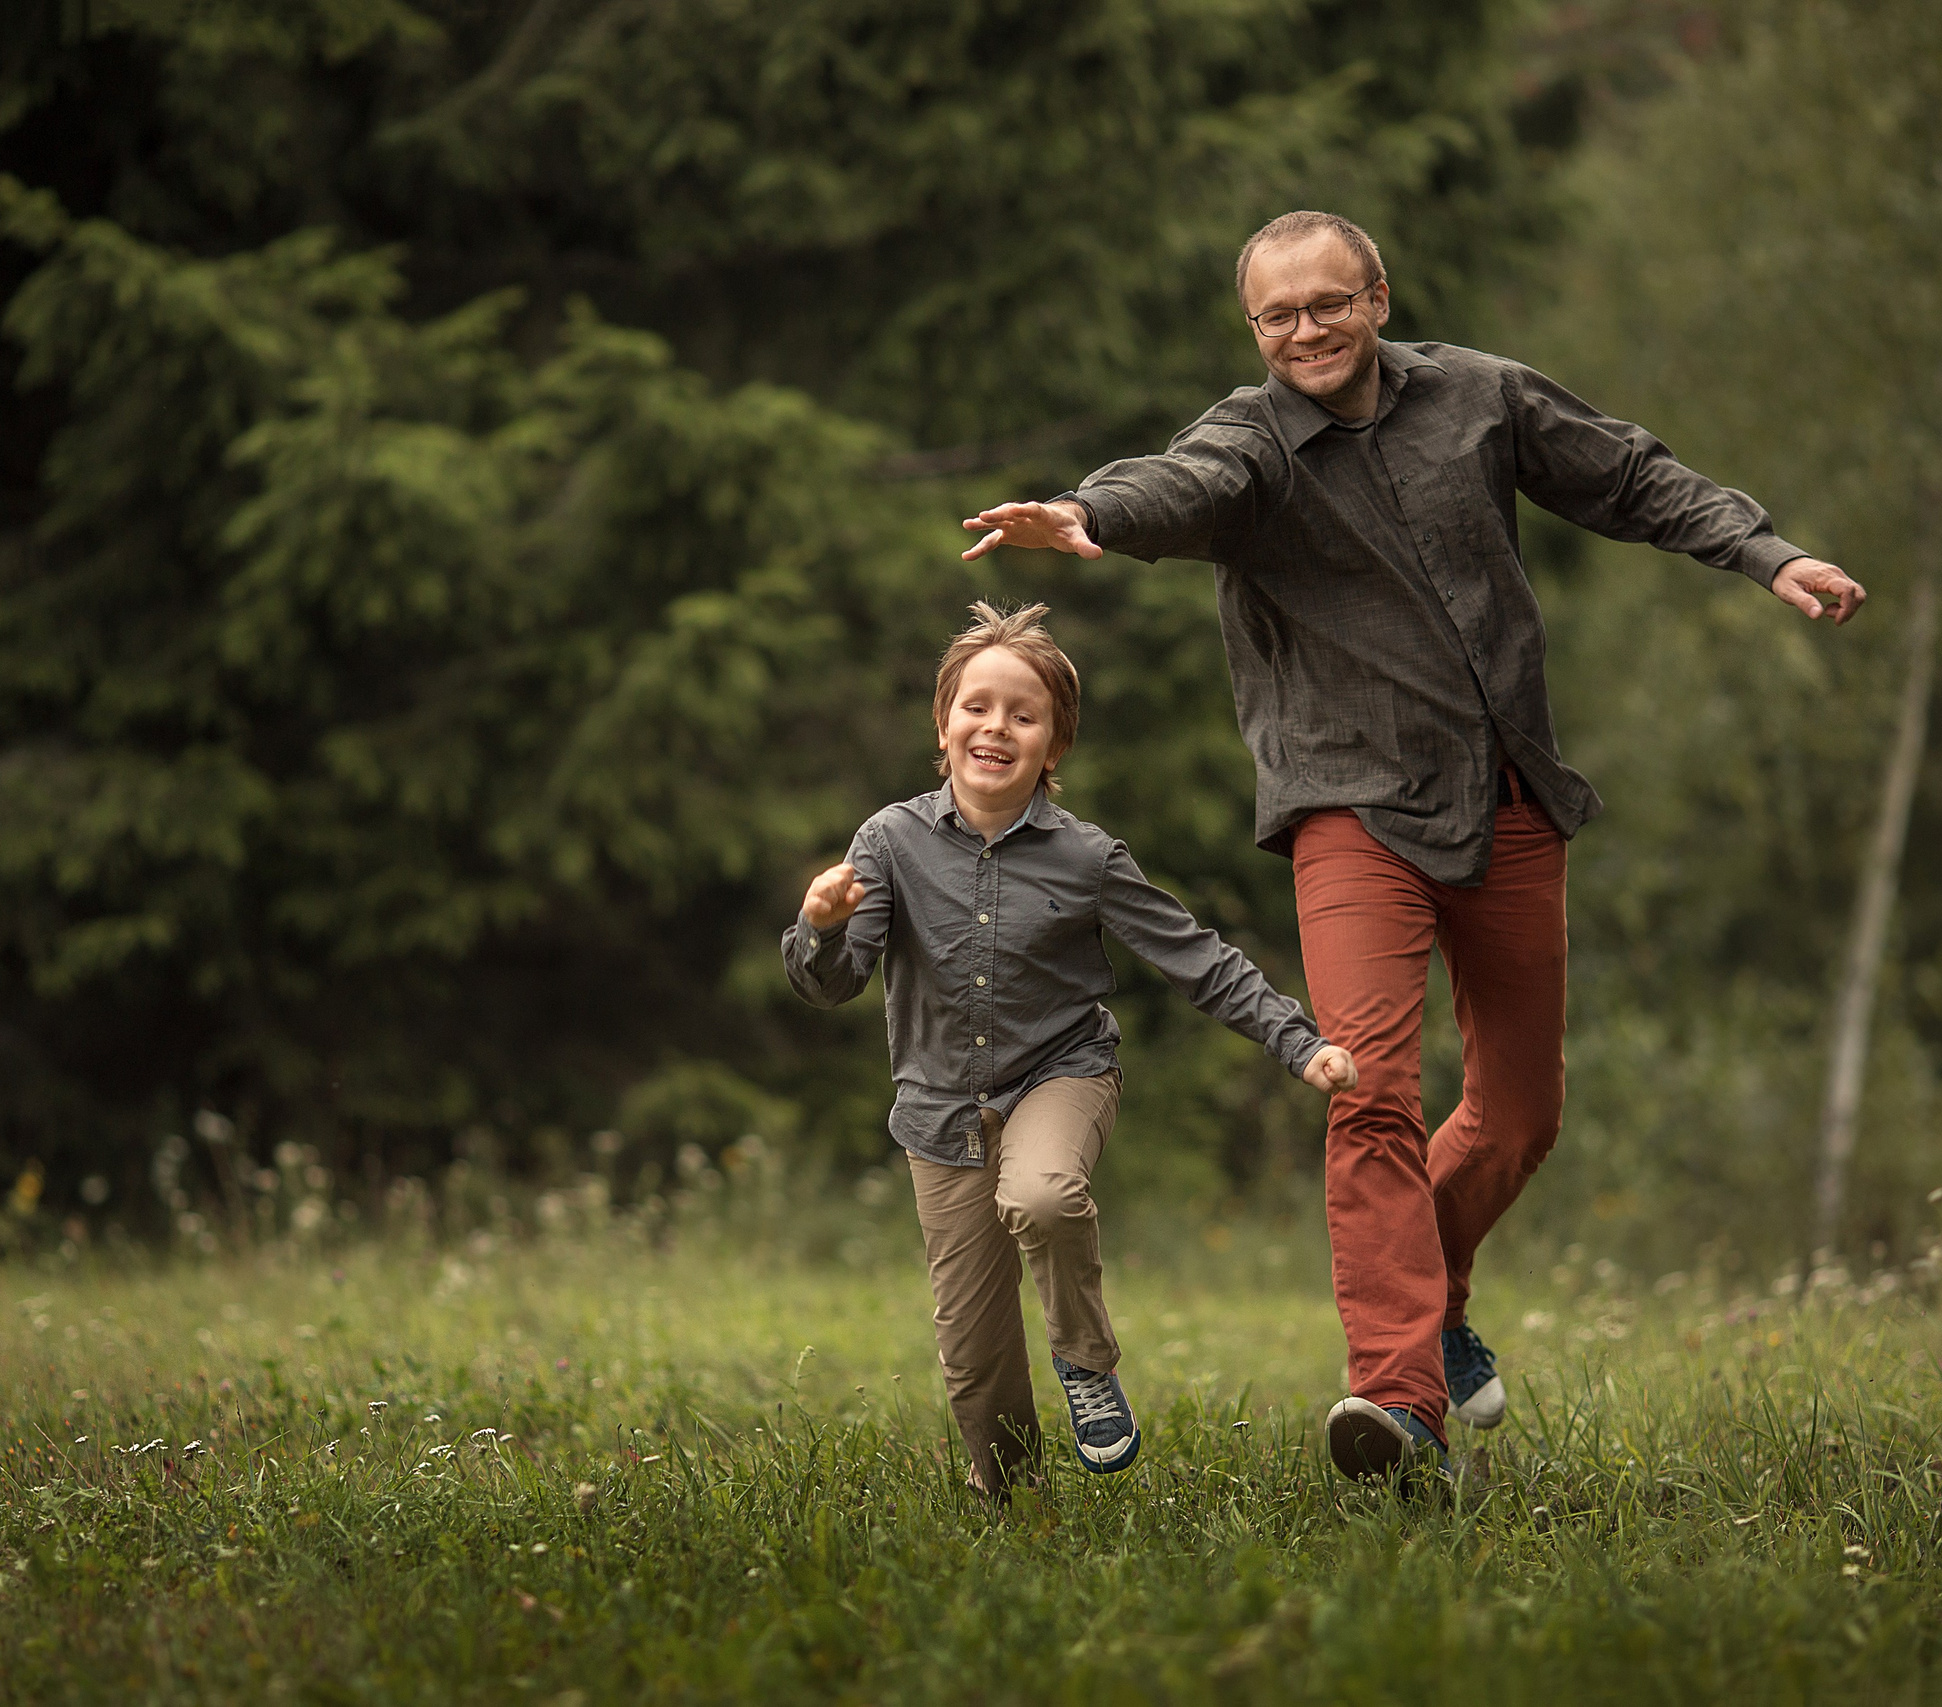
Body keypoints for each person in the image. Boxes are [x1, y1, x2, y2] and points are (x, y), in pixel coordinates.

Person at [960, 210, 1866, 1487]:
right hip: (1349, 810)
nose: (1304, 332)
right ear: (1254, 331)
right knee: (1369, 1089)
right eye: (1276, 316)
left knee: (1518, 1114)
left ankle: (1429, 1299)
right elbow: (1176, 486)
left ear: (1377, 298)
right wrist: (1083, 515)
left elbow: (1630, 476)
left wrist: (1762, 551)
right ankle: (1395, 1402)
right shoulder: (1250, 442)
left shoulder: (1483, 398)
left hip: (1502, 798)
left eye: (1326, 304)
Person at [784, 600, 1359, 1497]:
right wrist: (820, 928)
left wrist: (1298, 1041)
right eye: (977, 706)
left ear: (1054, 747)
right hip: (940, 1114)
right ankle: (1014, 1498)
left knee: (1044, 1194)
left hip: (1063, 1074)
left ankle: (1086, 1363)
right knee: (973, 1359)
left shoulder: (1087, 857)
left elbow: (1195, 956)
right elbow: (833, 984)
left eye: (1024, 714)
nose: (996, 726)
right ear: (944, 724)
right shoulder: (887, 843)